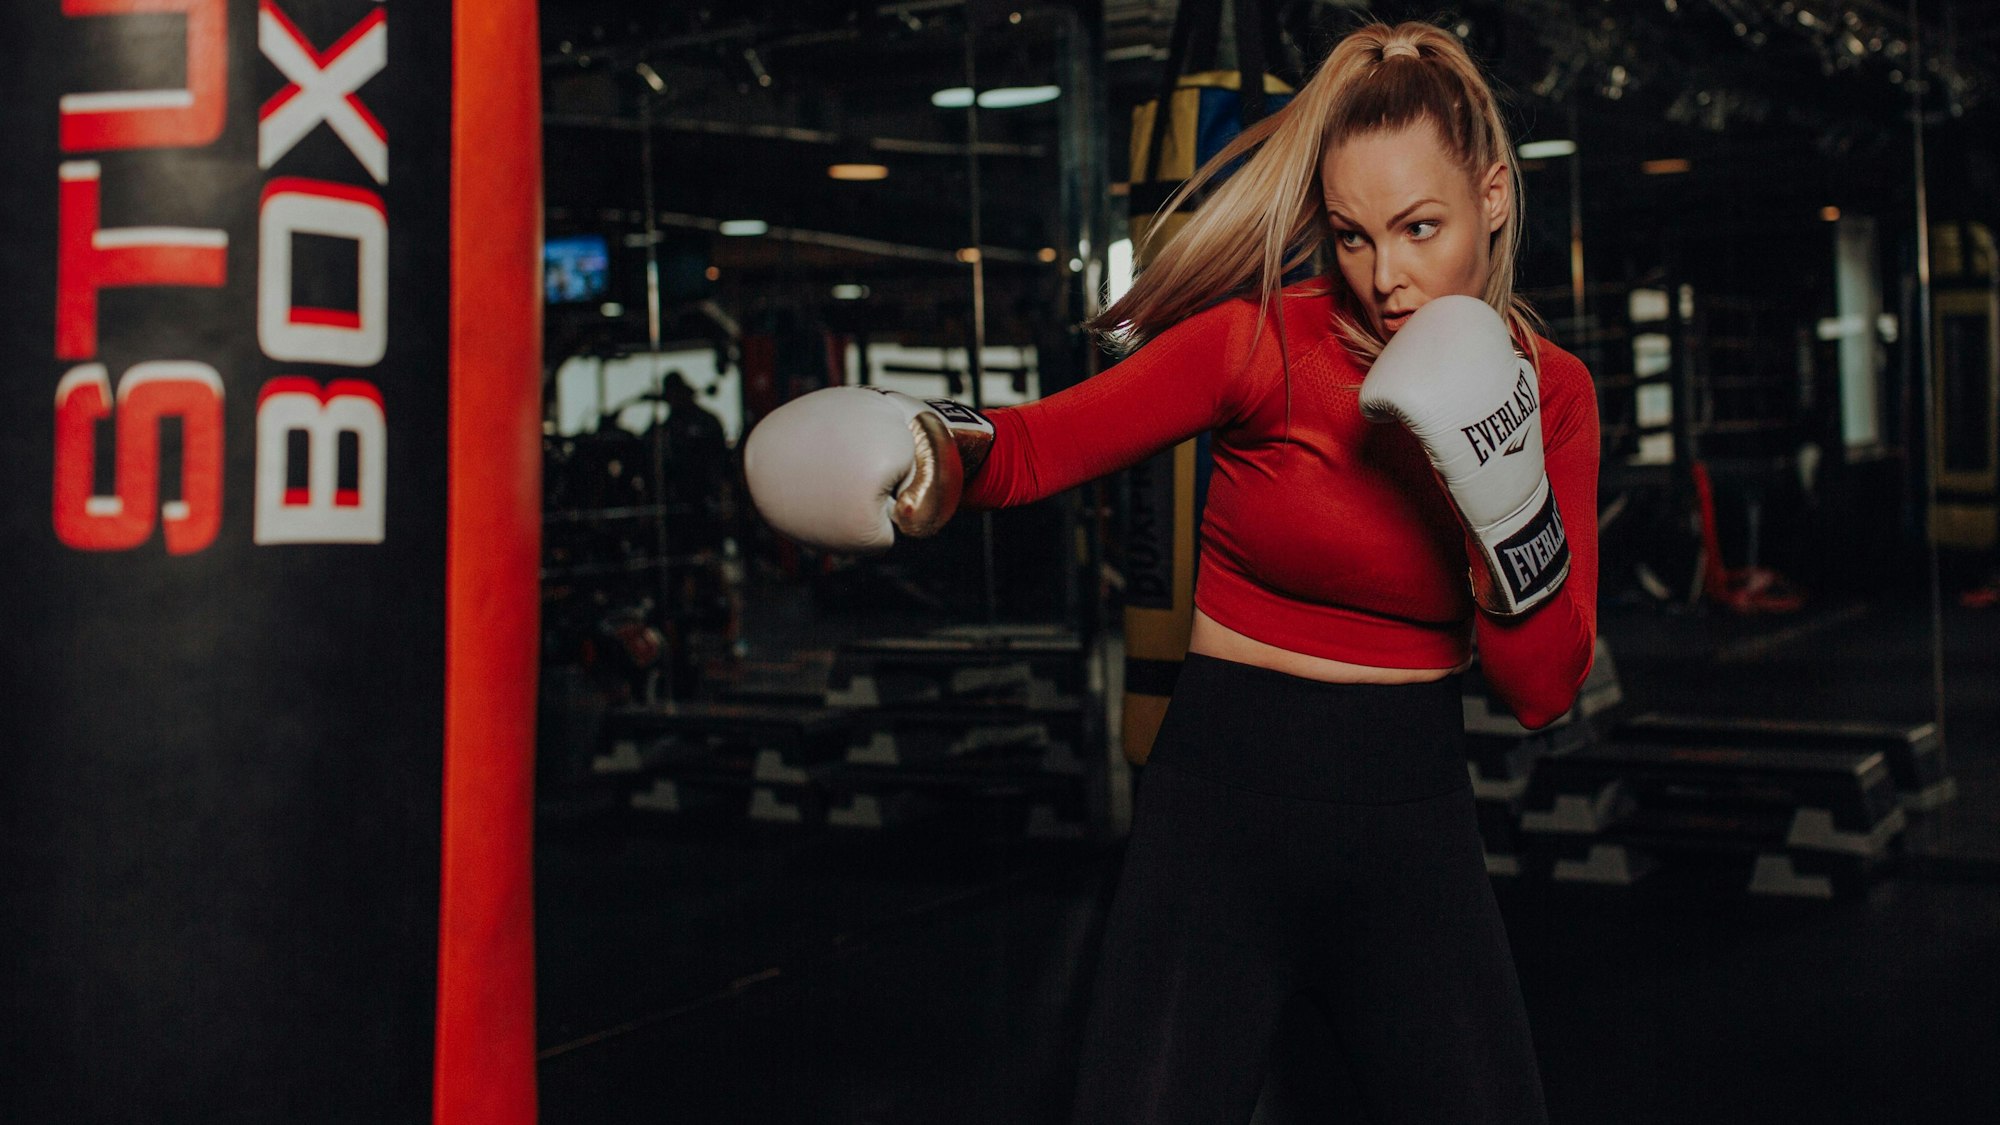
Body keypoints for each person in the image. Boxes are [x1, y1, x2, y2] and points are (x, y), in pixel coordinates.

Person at [744, 19, 1595, 1125]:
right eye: (1350, 236)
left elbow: (1540, 692)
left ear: (1493, 195)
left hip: (1413, 825)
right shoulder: (1259, 342)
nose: (1384, 277)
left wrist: (1506, 511)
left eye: (1418, 228)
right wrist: (926, 447)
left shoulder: (1552, 393)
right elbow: (1034, 447)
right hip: (1219, 820)